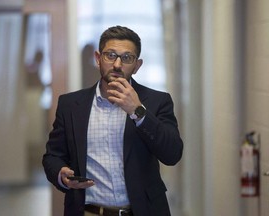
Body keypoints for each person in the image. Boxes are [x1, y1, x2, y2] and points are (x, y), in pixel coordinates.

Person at [42, 25, 183, 216]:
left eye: (126, 58)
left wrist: (137, 110)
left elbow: (172, 154)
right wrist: (61, 174)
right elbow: (52, 156)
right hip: (88, 211)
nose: (117, 64)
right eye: (110, 55)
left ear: (137, 65)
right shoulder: (70, 104)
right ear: (98, 59)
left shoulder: (157, 101)